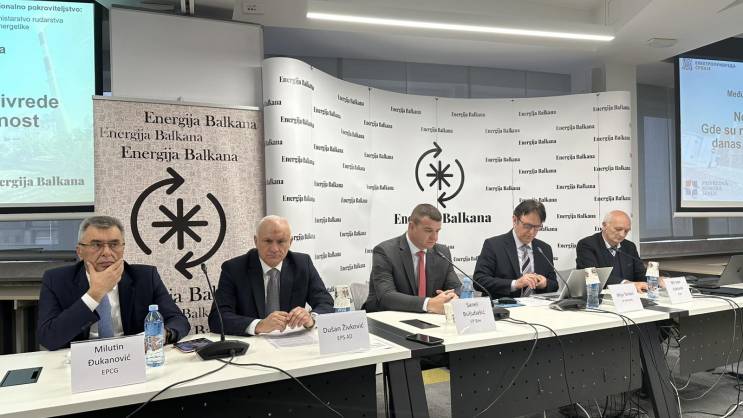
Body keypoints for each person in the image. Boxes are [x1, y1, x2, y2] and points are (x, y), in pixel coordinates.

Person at [37, 216, 189, 351]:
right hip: (79, 364)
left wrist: (162, 334)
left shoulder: (145, 277)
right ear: (79, 251)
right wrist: (94, 294)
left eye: (114, 244)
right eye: (96, 245)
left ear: (123, 248)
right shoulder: (56, 280)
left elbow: (179, 321)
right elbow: (48, 338)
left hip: (131, 358)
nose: (107, 252)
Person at [209, 215, 333, 336]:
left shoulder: (302, 264)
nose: (274, 249)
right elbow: (217, 318)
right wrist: (259, 325)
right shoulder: (234, 269)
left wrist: (311, 319)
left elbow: (325, 303)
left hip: (291, 341)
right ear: (256, 241)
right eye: (268, 241)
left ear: (290, 242)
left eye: (281, 242)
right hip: (253, 343)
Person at [365, 203, 461, 313]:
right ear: (411, 226)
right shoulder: (385, 252)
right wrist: (429, 304)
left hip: (428, 319)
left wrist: (453, 296)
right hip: (386, 318)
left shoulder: (442, 252)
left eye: (437, 231)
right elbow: (386, 296)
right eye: (428, 230)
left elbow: (456, 287)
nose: (435, 237)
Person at [473, 199, 558, 298]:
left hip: (539, 306)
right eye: (527, 226)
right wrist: (515, 284)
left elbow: (554, 285)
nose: (531, 232)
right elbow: (479, 281)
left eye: (537, 227)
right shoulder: (493, 245)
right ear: (515, 220)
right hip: (505, 306)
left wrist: (545, 283)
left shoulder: (544, 249)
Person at [575, 210, 647, 291]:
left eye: (626, 231)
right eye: (618, 229)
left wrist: (654, 280)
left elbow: (641, 274)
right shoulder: (587, 245)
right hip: (599, 296)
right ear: (604, 226)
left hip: (628, 296)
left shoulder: (629, 246)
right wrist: (625, 283)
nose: (622, 234)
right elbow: (592, 276)